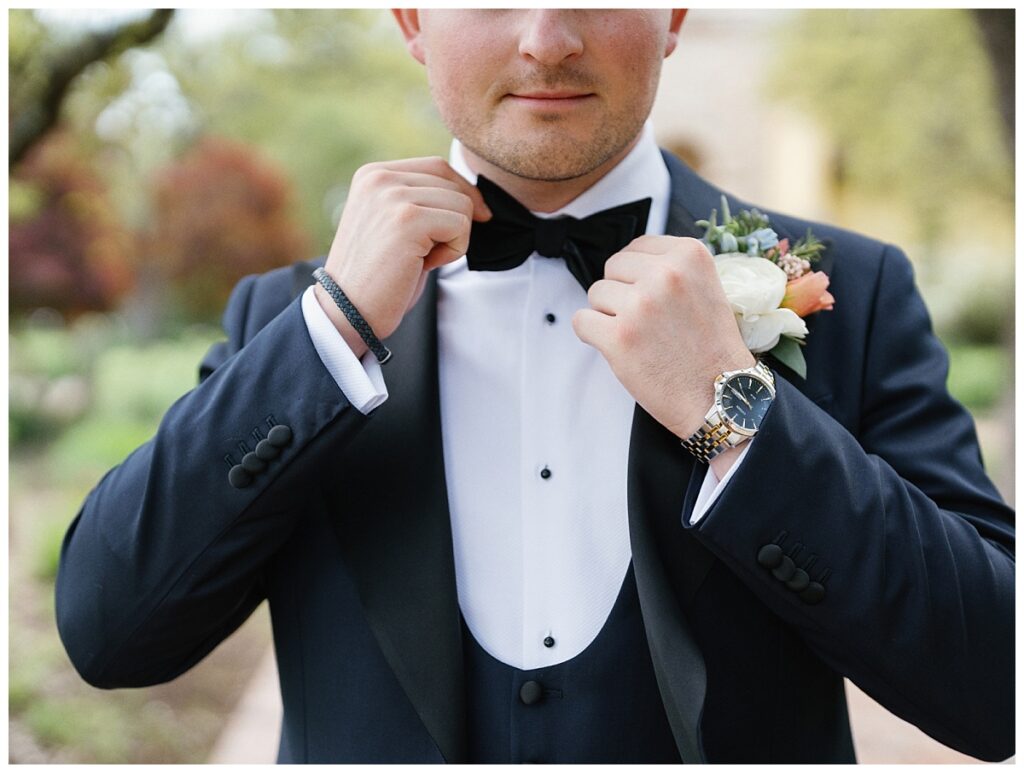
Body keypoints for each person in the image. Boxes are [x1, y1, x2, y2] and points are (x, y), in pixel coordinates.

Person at [55, 9, 1014, 764]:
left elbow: (995, 685)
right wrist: (330, 332)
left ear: (674, 14)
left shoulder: (856, 287)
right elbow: (110, 633)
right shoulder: (287, 320)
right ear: (410, 22)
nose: (547, 39)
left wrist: (735, 416)